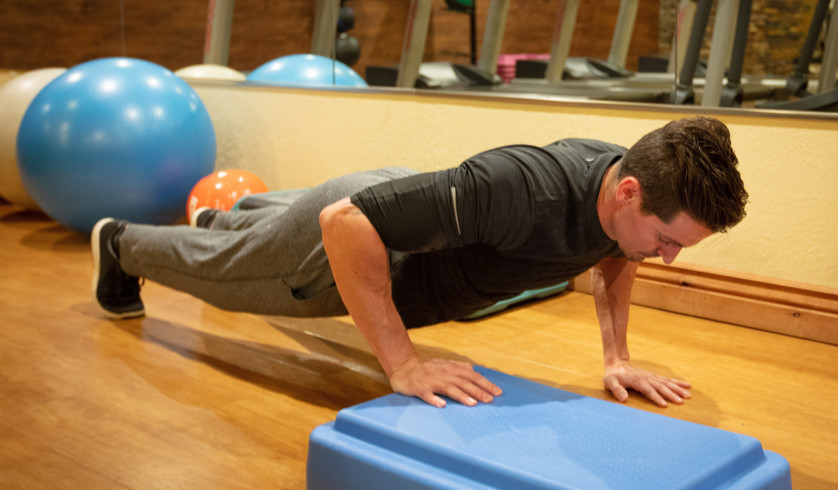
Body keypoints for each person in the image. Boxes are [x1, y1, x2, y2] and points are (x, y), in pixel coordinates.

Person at [91, 116, 748, 409]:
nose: (662, 257)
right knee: (226, 282)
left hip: (403, 209)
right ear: (628, 191)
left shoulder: (625, 189)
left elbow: (615, 254)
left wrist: (616, 357)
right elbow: (345, 223)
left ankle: (228, 219)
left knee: (259, 236)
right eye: (665, 239)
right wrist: (401, 362)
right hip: (349, 241)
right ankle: (121, 241)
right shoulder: (525, 188)